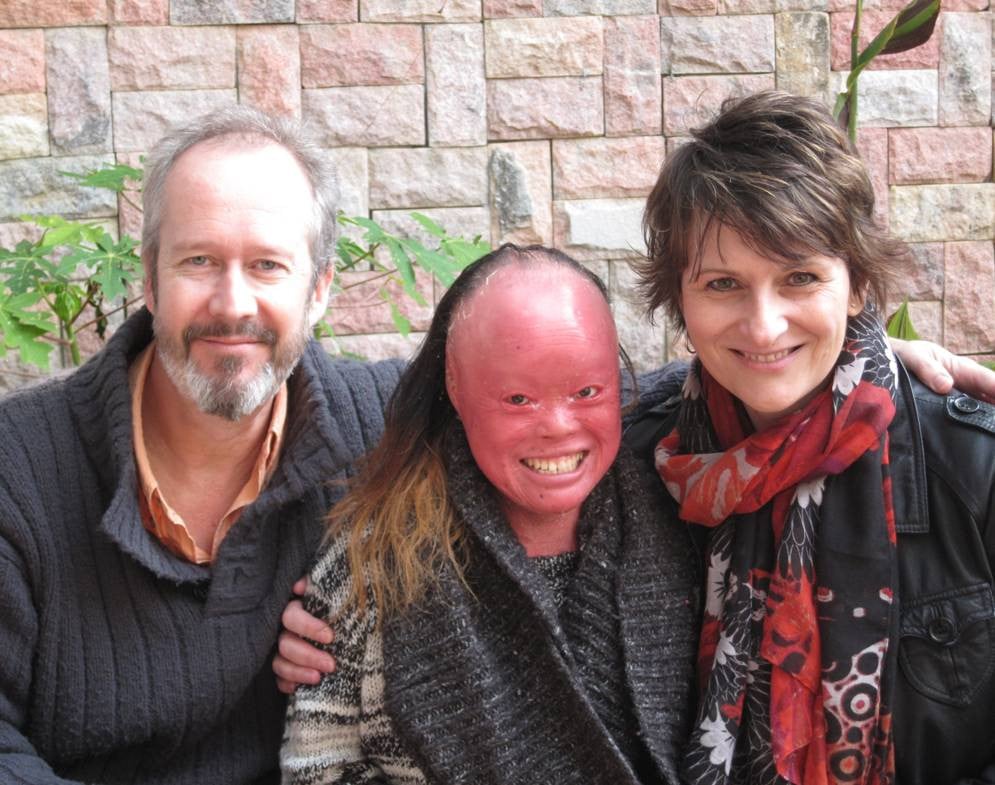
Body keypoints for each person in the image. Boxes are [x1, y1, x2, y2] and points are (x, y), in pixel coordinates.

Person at [0, 107, 402, 784]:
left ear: (319, 289)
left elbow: (564, 426)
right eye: (199, 260)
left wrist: (397, 641)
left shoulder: (390, 431)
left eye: (268, 264)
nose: (231, 302)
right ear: (150, 278)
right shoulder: (18, 468)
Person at [632, 90, 995, 785]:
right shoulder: (639, 465)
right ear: (679, 298)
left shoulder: (972, 465)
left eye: (800, 277)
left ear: (854, 283)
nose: (763, 326)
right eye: (722, 283)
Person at [280, 245, 701, 784]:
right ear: (455, 387)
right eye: (518, 399)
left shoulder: (682, 521)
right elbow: (317, 767)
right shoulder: (374, 560)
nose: (556, 425)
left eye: (587, 391)